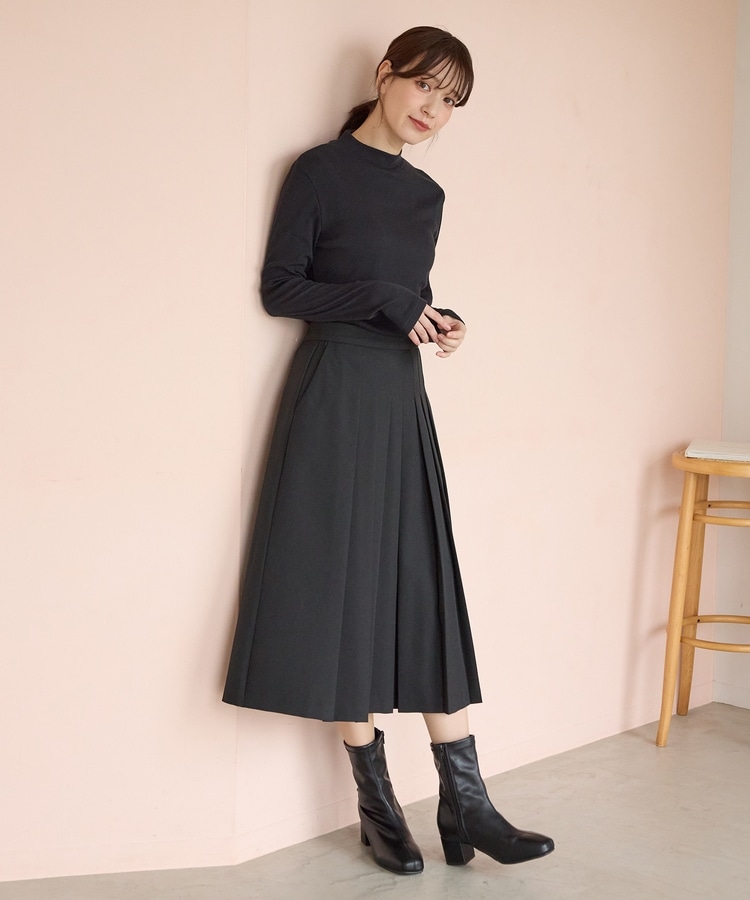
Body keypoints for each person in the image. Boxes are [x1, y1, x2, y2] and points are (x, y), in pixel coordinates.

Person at [223, 26, 554, 875]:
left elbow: (408, 294)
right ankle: (378, 807)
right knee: (342, 588)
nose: (433, 110)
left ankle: (465, 802)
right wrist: (381, 298)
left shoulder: (427, 196)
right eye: (424, 87)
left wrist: (439, 320)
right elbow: (281, 288)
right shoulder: (318, 171)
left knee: (422, 582)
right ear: (385, 75)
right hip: (333, 394)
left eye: (451, 101)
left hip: (400, 397)